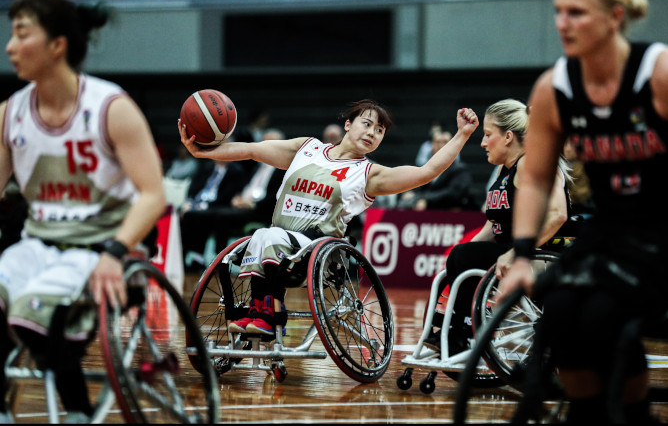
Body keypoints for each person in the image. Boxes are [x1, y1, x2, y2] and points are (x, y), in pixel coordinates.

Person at [496, 0, 668, 423]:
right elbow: (536, 176)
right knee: (560, 311)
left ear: (615, 16)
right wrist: (523, 254)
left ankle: (633, 413)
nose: (563, 23)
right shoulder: (555, 88)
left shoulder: (664, 74)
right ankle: (588, 413)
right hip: (611, 228)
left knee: (601, 315)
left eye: (577, 12)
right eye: (559, 11)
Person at [179, 99, 479, 336]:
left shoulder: (369, 174)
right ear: (348, 124)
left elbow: (426, 172)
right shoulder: (306, 149)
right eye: (367, 124)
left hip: (316, 250)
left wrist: (463, 134)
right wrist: (204, 153)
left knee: (267, 235)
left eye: (379, 131)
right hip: (279, 241)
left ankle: (270, 312)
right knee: (261, 234)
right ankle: (261, 308)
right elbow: (251, 150)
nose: (372, 133)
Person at [0, 0, 166, 422]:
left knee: (32, 312)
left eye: (21, 34)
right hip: (38, 245)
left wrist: (115, 251)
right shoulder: (9, 114)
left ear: (57, 45)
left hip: (101, 247)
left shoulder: (112, 108)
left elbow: (153, 195)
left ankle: (76, 412)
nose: (9, 47)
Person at [422, 99, 571, 352]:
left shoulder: (532, 163)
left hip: (541, 255)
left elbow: (558, 214)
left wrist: (517, 252)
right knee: (459, 255)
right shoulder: (507, 170)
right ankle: (454, 328)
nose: (482, 142)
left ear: (508, 137)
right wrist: (458, 256)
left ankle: (467, 331)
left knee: (464, 256)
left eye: (488, 135)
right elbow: (494, 226)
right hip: (512, 250)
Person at [180, 129, 285, 266]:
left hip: (259, 210)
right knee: (197, 214)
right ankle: (188, 255)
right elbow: (246, 187)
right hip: (243, 206)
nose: (266, 146)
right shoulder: (257, 166)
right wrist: (238, 197)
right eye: (264, 142)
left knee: (221, 215)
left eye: (271, 143)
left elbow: (276, 197)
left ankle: (220, 260)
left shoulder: (282, 170)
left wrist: (253, 204)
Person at [398, 129, 477, 211]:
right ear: (432, 145)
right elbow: (417, 185)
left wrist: (424, 199)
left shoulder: (460, 169)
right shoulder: (425, 166)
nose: (441, 145)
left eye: (445, 142)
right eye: (438, 142)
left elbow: (453, 193)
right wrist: (409, 193)